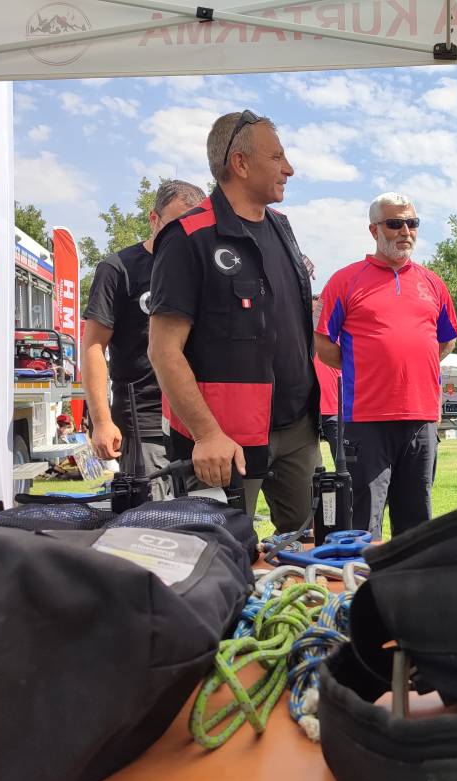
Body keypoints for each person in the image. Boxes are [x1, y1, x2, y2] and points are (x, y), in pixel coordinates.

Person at [148, 110, 319, 534]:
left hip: (297, 431)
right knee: (217, 558)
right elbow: (163, 350)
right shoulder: (189, 237)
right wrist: (206, 435)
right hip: (225, 444)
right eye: (277, 156)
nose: (289, 168)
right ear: (240, 164)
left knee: (304, 555)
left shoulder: (282, 228)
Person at [315, 193, 457, 537]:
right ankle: (363, 589)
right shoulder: (345, 280)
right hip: (366, 419)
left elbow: (447, 339)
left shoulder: (433, 282)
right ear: (374, 230)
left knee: (416, 521)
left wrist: (411, 366)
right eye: (395, 223)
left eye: (412, 223)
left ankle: (410, 588)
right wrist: (363, 367)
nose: (405, 231)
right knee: (364, 521)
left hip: (420, 418)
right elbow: (323, 345)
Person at [82, 179, 205, 498]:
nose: (184, 233)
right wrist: (101, 421)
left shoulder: (204, 268)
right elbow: (94, 347)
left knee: (208, 521)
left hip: (201, 421)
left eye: (194, 224)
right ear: (154, 219)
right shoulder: (118, 268)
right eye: (176, 224)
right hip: (146, 423)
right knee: (152, 528)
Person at [312, 294, 342, 462]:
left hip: (334, 410)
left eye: (317, 312)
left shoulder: (335, 337)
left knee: (343, 463)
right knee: (309, 468)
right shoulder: (300, 339)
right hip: (307, 412)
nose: (314, 316)